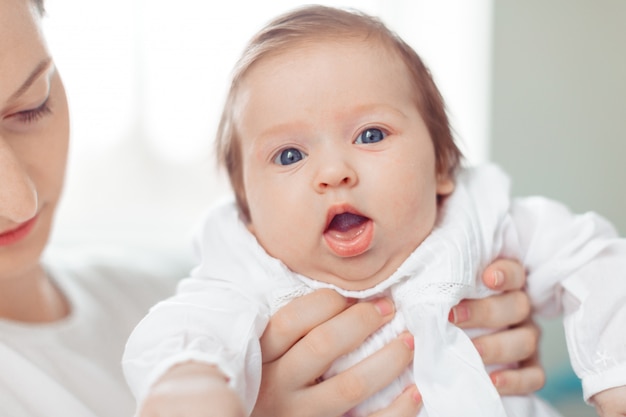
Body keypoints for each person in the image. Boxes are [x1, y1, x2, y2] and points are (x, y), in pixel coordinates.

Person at [0, 1, 546, 417]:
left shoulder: (175, 283)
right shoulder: (215, 304)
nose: (17, 199)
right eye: (289, 155)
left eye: (31, 106)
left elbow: (590, 267)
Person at [122, 5, 626, 417]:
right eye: (290, 155)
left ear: (443, 165)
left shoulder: (480, 219)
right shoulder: (247, 273)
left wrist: (614, 381)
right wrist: (189, 388)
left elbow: (595, 260)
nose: (334, 172)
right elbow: (184, 333)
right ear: (247, 209)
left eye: (371, 134)